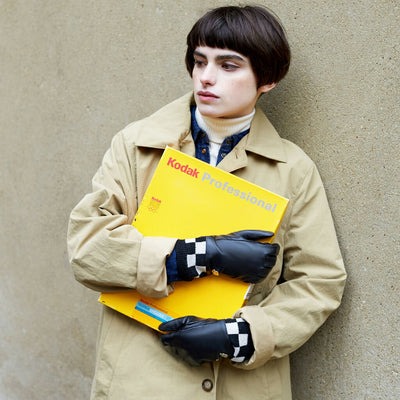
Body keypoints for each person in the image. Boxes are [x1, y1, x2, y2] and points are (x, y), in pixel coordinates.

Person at [67, 5, 346, 399]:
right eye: (200, 61)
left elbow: (320, 282)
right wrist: (197, 255)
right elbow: (86, 247)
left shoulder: (294, 170)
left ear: (268, 79)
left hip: (242, 385)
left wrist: (239, 336)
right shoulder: (136, 145)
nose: (206, 78)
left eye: (228, 66)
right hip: (140, 377)